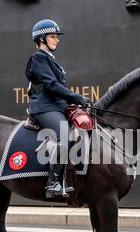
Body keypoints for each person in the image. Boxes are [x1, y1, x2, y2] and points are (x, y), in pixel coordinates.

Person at [25, 19, 90, 198]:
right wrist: (76, 97)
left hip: (55, 106)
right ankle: (52, 184)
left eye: (56, 36)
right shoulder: (38, 57)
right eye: (53, 36)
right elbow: (51, 85)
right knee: (65, 134)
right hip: (43, 107)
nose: (57, 39)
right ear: (41, 39)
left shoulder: (50, 60)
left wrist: (73, 104)